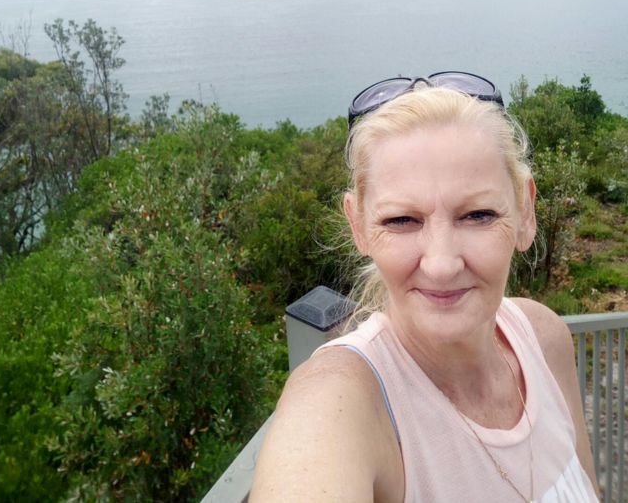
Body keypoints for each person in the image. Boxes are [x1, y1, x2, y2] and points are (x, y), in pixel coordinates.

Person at [250, 72, 599, 503]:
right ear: (358, 226)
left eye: (478, 215)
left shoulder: (544, 339)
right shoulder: (339, 403)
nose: (441, 265)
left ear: (525, 212)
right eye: (401, 220)